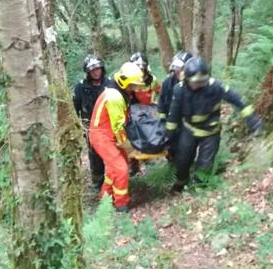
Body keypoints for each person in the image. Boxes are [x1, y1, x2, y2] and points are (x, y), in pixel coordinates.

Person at [165, 56, 263, 192]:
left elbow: (237, 100)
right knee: (182, 160)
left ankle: (198, 188)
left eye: (202, 81)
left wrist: (253, 120)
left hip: (210, 132)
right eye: (196, 82)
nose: (199, 84)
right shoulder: (180, 90)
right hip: (189, 130)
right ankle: (181, 183)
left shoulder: (215, 86)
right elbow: (173, 115)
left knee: (205, 164)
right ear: (187, 79)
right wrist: (168, 137)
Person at [89, 62, 145, 212]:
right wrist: (129, 148)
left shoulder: (120, 91)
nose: (133, 88)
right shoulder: (115, 97)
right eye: (132, 85)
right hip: (102, 136)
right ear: (125, 82)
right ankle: (121, 204)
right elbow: (118, 128)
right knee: (121, 168)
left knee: (114, 169)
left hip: (107, 134)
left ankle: (105, 197)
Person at [73, 55, 113, 189]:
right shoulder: (81, 87)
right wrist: (77, 125)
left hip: (109, 124)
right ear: (88, 72)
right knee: (94, 154)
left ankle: (116, 177)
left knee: (113, 151)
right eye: (92, 70)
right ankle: (98, 179)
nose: (96, 72)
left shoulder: (109, 83)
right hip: (91, 126)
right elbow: (75, 107)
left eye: (98, 69)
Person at [157, 50, 193, 120]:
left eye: (180, 68)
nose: (177, 71)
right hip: (170, 119)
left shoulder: (195, 84)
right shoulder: (167, 83)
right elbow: (161, 102)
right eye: (176, 68)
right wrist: (162, 119)